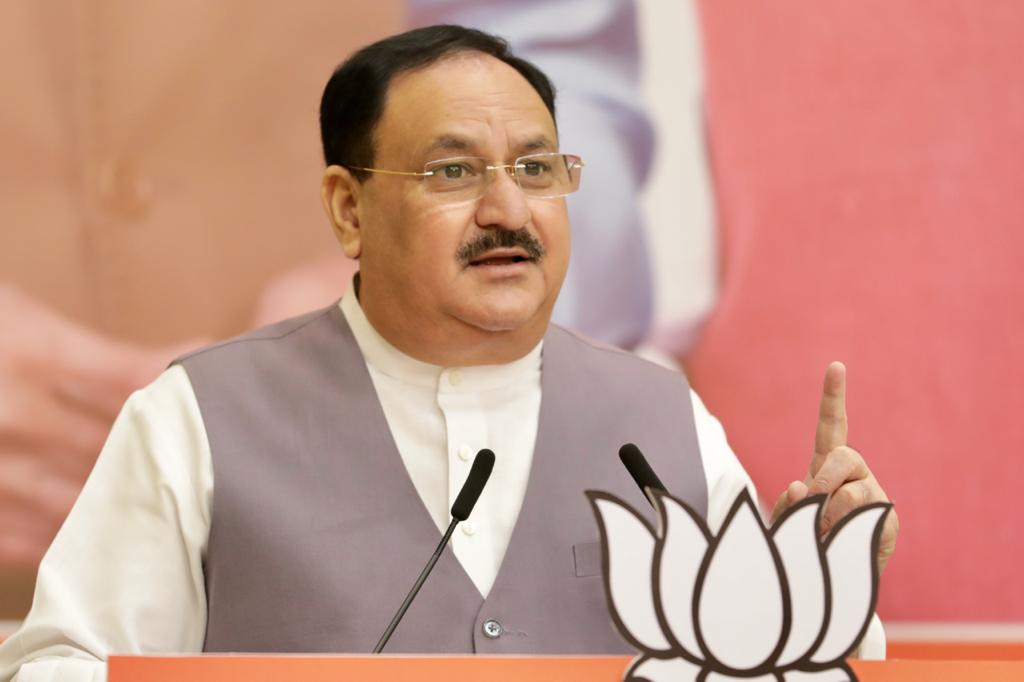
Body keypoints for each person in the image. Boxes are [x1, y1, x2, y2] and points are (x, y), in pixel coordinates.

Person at [0, 25, 897, 680]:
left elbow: (766, 667)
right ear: (349, 209)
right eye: (454, 171)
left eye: (538, 169)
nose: (509, 210)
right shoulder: (195, 416)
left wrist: (822, 588)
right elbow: (63, 665)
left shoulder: (661, 426)